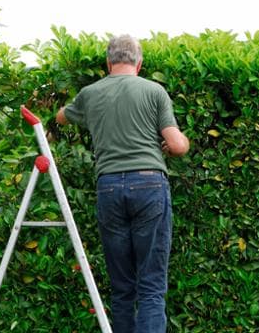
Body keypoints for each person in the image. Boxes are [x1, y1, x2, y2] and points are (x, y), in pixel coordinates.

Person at [56, 34, 189, 333]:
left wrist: (64, 112)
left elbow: (61, 117)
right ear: (139, 63)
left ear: (108, 62)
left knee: (122, 288)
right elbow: (177, 146)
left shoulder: (90, 94)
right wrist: (179, 142)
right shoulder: (154, 91)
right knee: (151, 287)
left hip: (109, 187)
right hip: (149, 184)